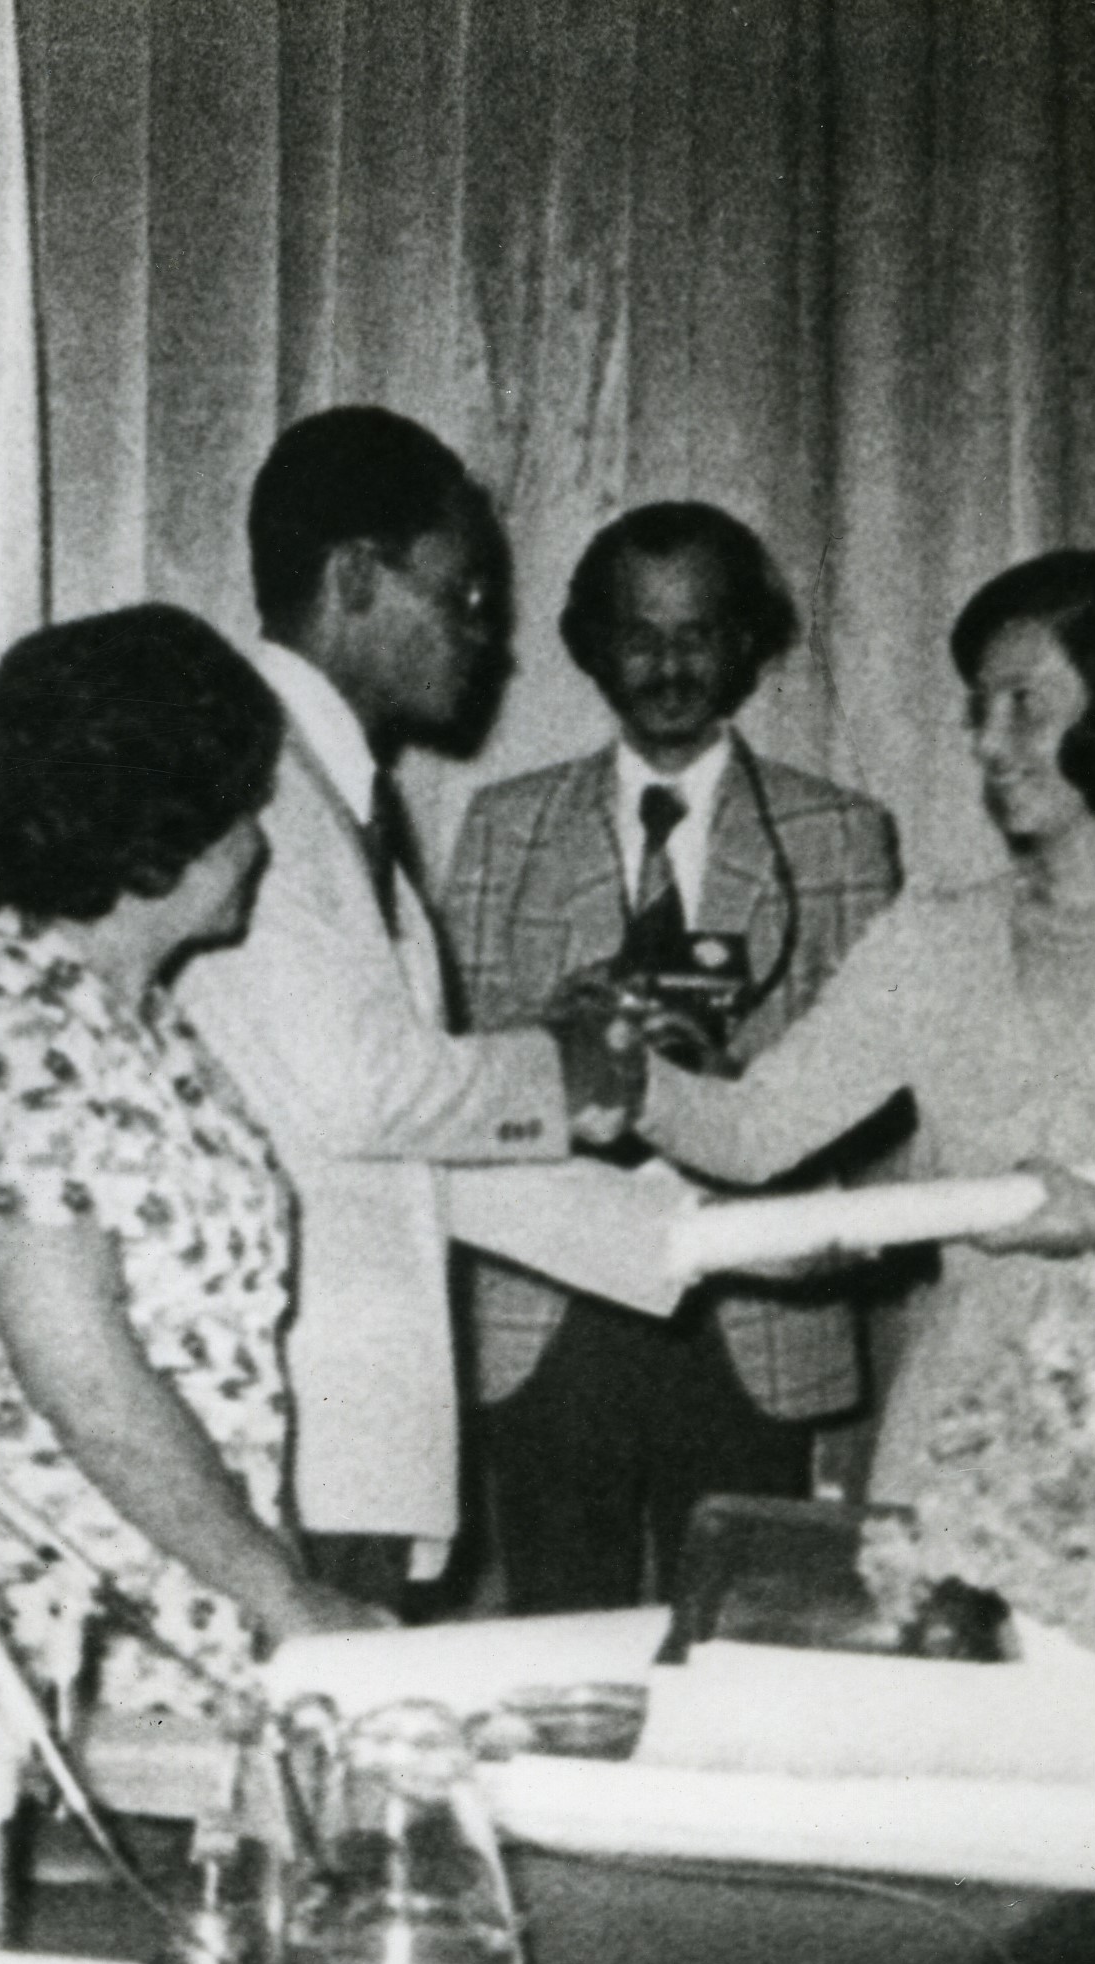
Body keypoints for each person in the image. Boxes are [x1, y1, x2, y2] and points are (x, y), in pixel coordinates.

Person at [628, 549, 1095, 1609]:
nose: (987, 741)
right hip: (966, 1436)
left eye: (1025, 704)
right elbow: (754, 1133)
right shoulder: (929, 942)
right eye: (978, 709)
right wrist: (622, 1081)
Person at [0, 607, 389, 1845]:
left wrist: (265, 1592)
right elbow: (84, 1380)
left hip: (157, 1629)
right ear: (154, 837)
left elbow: (213, 1376)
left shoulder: (130, 1021)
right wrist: (286, 1595)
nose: (257, 841)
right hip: (24, 1655)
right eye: (236, 809)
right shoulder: (10, 1034)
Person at [171, 407, 625, 1604]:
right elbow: (362, 1090)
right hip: (283, 1447)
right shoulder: (254, 785)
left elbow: (407, 1148)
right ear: (355, 579)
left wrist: (687, 1242)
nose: (488, 637)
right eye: (463, 594)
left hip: (343, 1445)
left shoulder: (334, 792)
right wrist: (568, 1066)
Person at [439, 502, 905, 1608]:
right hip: (552, 1305)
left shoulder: (837, 833)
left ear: (745, 642)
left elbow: (884, 1082)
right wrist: (552, 1043)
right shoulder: (505, 823)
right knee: (558, 1639)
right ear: (591, 646)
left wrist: (738, 1103)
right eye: (638, 636)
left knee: (739, 1637)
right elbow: (456, 1065)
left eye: (698, 634)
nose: (668, 665)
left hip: (752, 1306)